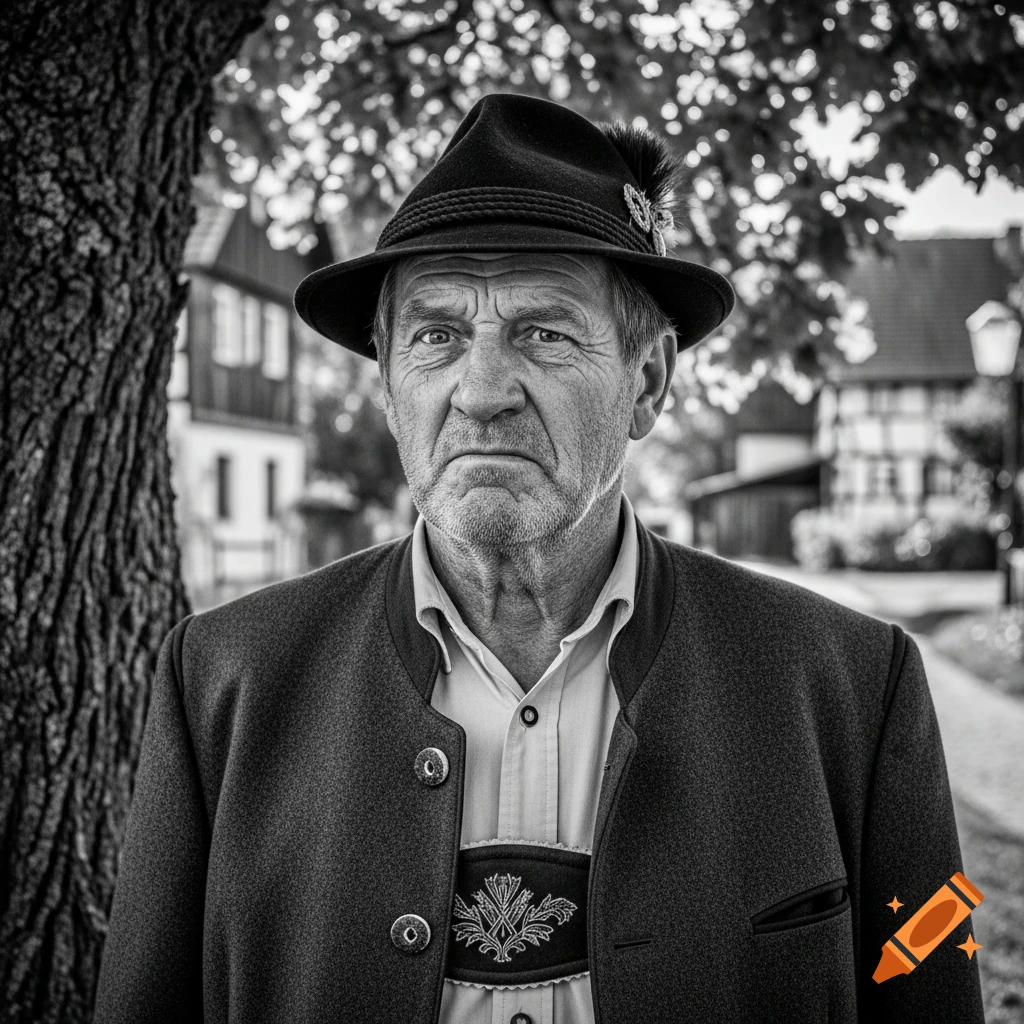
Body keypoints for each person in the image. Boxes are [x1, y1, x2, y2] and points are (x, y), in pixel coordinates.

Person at [94, 93, 984, 1024]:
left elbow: (930, 986)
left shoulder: (852, 688)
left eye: (544, 332)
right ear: (392, 387)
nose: (480, 393)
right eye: (436, 335)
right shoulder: (223, 684)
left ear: (646, 384)